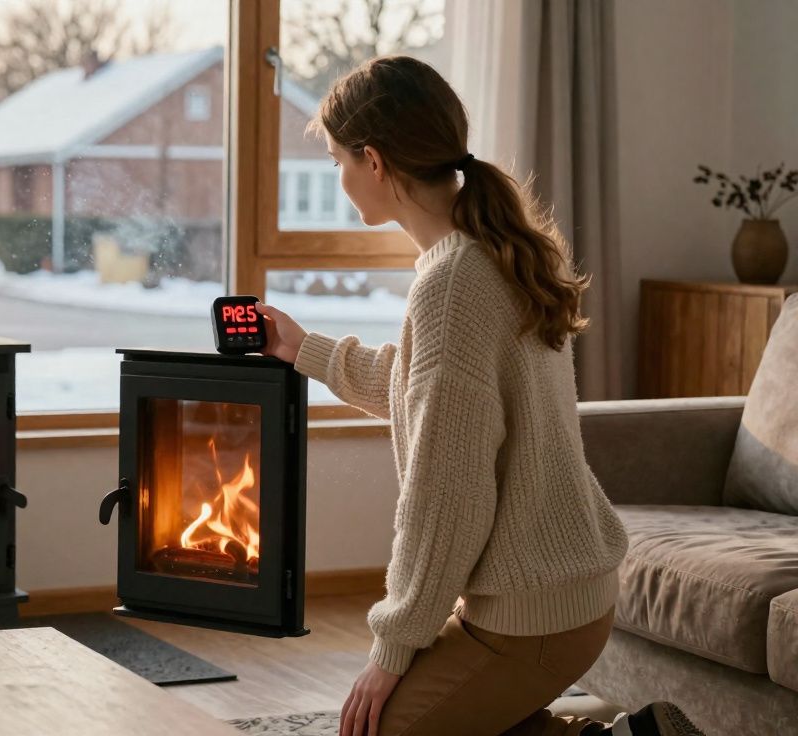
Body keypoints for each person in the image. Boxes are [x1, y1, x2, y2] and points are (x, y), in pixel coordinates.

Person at [255, 56, 704, 736]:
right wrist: (303, 350)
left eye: (337, 160)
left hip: (537, 614)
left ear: (373, 162)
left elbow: (446, 494)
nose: (337, 177)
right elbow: (427, 391)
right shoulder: (479, 254)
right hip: (560, 593)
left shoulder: (452, 285)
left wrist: (393, 647)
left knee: (383, 731)